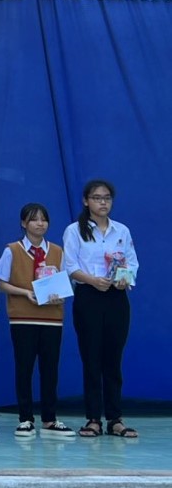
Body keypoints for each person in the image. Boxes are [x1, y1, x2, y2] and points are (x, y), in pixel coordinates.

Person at [63, 179, 140, 439]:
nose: (103, 202)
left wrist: (124, 279)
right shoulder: (75, 231)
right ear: (86, 201)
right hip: (89, 296)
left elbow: (132, 263)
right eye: (97, 198)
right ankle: (93, 418)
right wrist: (92, 280)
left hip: (116, 297)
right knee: (92, 358)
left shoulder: (121, 231)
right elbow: (70, 266)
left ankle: (115, 419)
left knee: (113, 359)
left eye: (107, 198)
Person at [0, 203, 75, 438]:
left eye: (44, 219)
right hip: (22, 317)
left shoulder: (57, 251)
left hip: (52, 318)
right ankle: (25, 418)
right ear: (23, 223)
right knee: (24, 368)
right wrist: (25, 293)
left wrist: (59, 295)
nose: (40, 223)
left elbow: (65, 283)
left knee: (50, 369)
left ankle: (50, 419)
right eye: (34, 219)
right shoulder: (12, 250)